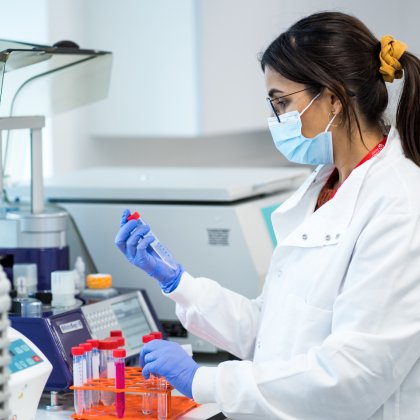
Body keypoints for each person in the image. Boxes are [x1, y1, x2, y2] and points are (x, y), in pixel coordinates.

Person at [115, 11, 420, 419]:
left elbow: (352, 375)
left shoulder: (399, 205)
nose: (277, 120)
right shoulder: (326, 184)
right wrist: (178, 282)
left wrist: (203, 381)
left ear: (332, 97)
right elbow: (273, 330)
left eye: (283, 102)